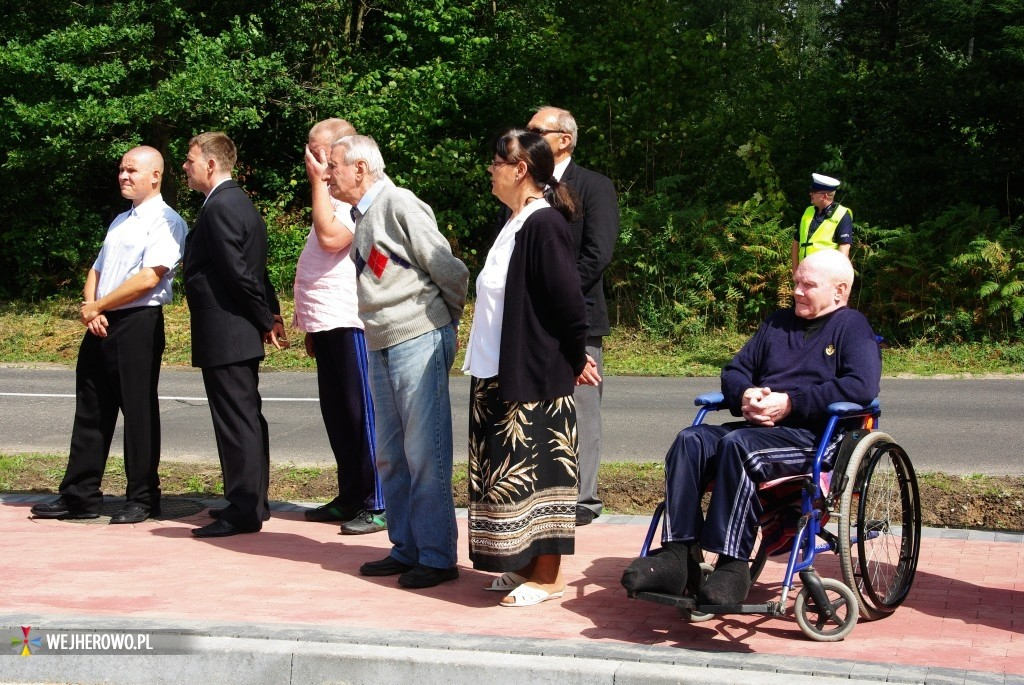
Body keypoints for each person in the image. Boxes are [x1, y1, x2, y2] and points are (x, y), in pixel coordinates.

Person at [621, 249, 880, 606]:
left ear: (839, 291)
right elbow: (735, 369)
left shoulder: (852, 327)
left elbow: (861, 387)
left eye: (808, 285)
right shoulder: (777, 323)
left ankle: (732, 564)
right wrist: (745, 394)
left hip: (814, 436)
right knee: (690, 440)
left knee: (739, 445)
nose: (797, 291)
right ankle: (678, 555)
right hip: (757, 430)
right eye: (796, 283)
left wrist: (791, 402)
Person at [322, 134, 469, 588]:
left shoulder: (400, 203)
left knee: (425, 454)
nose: (327, 174)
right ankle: (406, 547)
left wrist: (444, 322)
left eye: (333, 166)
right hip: (381, 341)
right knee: (390, 454)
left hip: (417, 337)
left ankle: (437, 556)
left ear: (360, 169)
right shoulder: (360, 215)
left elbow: (450, 269)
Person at [463, 129, 602, 607]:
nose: (490, 169)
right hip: (497, 371)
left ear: (519, 169)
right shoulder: (514, 221)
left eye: (496, 162)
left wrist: (575, 355)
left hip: (534, 376)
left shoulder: (544, 224)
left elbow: (568, 302)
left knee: (537, 470)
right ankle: (521, 564)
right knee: (503, 471)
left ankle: (548, 575)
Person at [30, 146, 187, 524]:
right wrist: (91, 308)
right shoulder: (120, 220)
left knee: (138, 412)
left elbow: (150, 277)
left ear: (155, 176)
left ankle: (143, 498)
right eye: (121, 169)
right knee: (91, 409)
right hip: (101, 322)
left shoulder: (167, 220)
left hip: (137, 323)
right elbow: (96, 271)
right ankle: (79, 495)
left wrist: (99, 306)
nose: (123, 176)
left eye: (132, 170)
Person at [182, 131, 286, 538]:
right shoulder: (237, 202)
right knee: (243, 416)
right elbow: (255, 269)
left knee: (236, 419)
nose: (186, 167)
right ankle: (251, 500)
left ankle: (244, 509)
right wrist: (270, 312)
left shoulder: (220, 206)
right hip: (233, 328)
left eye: (190, 160)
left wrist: (264, 318)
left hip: (227, 328)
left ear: (211, 164)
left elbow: (237, 273)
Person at [525, 106, 619, 526]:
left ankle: (583, 498)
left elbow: (597, 254)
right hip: (528, 318)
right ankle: (541, 487)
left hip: (577, 314)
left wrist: (552, 294)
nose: (526, 137)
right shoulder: (524, 186)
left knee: (581, 407)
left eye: (535, 131)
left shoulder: (594, 187)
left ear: (564, 139)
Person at [296, 119, 385, 535]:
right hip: (328, 323)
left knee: (361, 414)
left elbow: (332, 239)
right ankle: (351, 493)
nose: (313, 162)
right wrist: (313, 326)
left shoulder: (360, 198)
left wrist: (318, 181)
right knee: (338, 415)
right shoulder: (334, 194)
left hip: (352, 322)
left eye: (319, 154)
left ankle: (377, 500)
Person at [791, 173, 853, 273]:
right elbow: (796, 243)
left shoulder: (842, 215)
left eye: (814, 192)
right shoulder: (808, 211)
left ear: (824, 196)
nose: (810, 194)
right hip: (803, 274)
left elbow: (844, 250)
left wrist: (836, 278)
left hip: (825, 277)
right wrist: (795, 273)